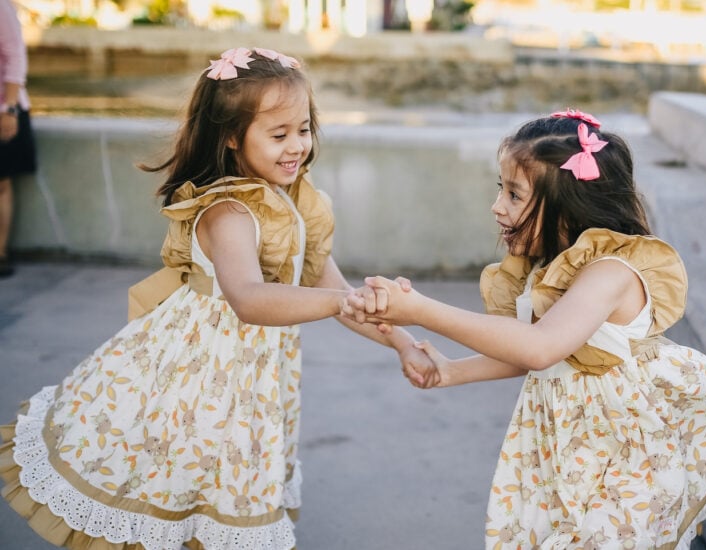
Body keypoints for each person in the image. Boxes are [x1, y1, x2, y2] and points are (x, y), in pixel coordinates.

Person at [0, 47, 433, 549]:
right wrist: (341, 304)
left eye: (304, 129)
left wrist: (403, 343)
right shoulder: (227, 212)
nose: (297, 147)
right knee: (174, 492)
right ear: (231, 136)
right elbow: (249, 298)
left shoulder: (293, 200)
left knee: (222, 492)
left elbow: (335, 289)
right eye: (279, 134)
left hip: (249, 388)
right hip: (195, 385)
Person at [345, 110, 706, 549]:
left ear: (569, 205)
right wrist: (452, 372)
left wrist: (421, 309)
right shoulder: (548, 269)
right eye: (500, 190)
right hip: (566, 451)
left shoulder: (610, 271)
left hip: (624, 450)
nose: (497, 207)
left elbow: (542, 348)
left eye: (513, 195)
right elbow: (530, 351)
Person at [0, 0, 38, 278]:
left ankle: (0, 253)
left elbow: (15, 56)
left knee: (1, 183)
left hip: (4, 110)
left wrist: (9, 108)